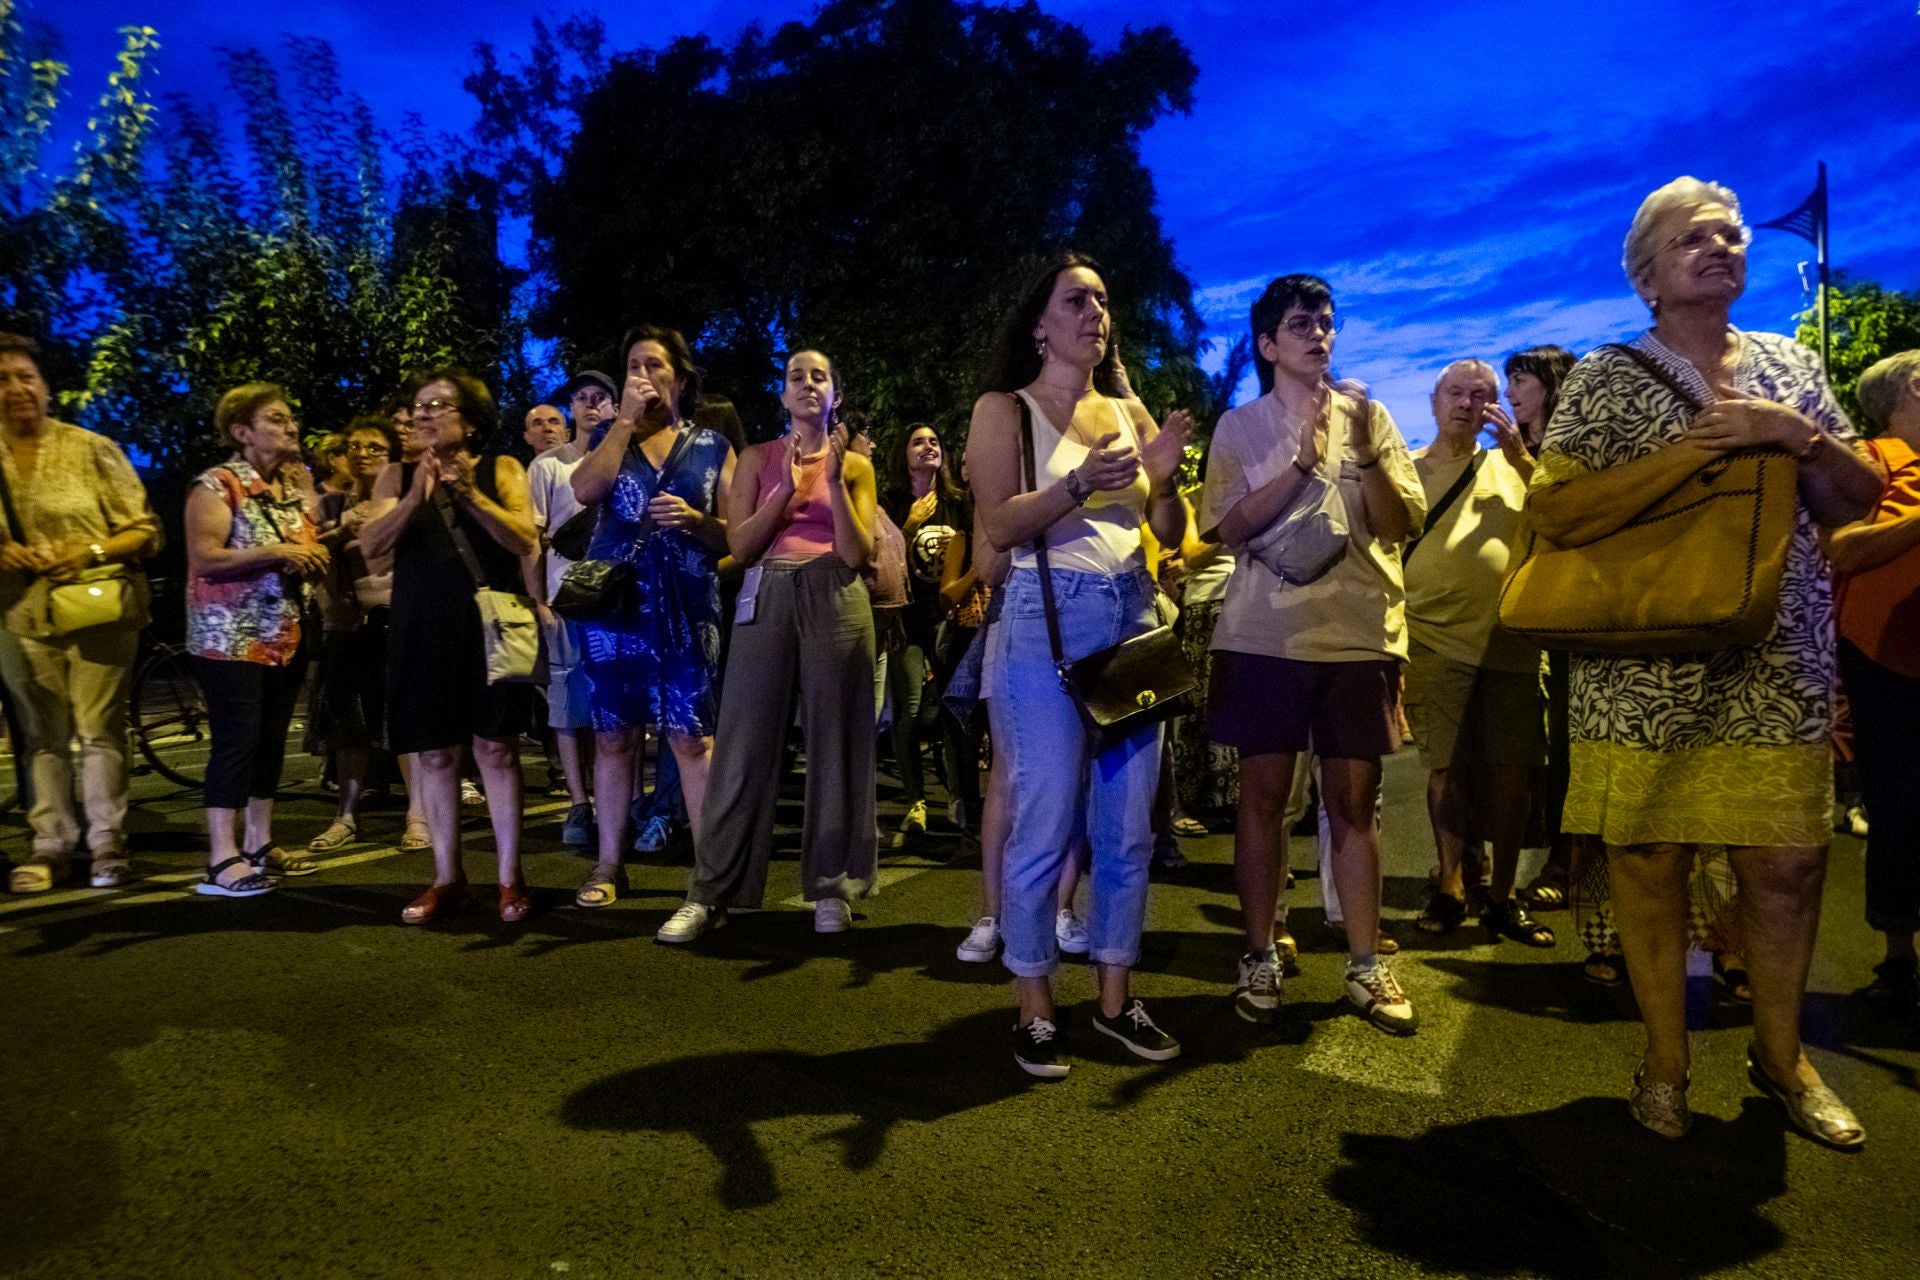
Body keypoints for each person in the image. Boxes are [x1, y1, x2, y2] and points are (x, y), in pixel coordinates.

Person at [1529, 176, 1880, 1145]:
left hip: (1776, 653)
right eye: (1693, 238)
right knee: (1649, 862)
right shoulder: (1604, 376)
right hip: (1643, 663)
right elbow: (1554, 511)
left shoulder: (1790, 364)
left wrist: (1794, 433)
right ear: (1647, 272)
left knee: (1788, 862)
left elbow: (1858, 496)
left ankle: (1783, 1055)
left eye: (1730, 235)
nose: (1721, 246)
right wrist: (1691, 453)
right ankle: (1667, 1060)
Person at [967, 252, 1193, 1077]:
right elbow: (996, 526)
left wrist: (1162, 481)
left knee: (1128, 828)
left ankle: (1114, 998)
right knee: (1045, 819)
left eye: (1102, 300)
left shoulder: (1128, 410)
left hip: (1132, 616)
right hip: (1044, 617)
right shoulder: (1005, 410)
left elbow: (1165, 527)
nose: (1095, 313)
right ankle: (1033, 1006)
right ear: (1040, 323)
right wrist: (1079, 485)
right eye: (1076, 300)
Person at [1198, 273, 1425, 1034]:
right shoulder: (1240, 427)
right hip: (1267, 637)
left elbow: (1400, 524)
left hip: (1359, 636)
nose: (1319, 335)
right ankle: (1260, 951)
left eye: (1325, 322)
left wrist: (1365, 452)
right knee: (1262, 802)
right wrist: (1301, 464)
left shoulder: (1373, 416)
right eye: (1300, 324)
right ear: (1268, 345)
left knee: (1353, 806)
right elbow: (1224, 530)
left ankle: (1365, 963)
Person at [656, 348, 877, 942]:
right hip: (768, 589)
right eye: (795, 376)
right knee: (742, 745)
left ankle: (833, 888)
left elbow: (860, 555)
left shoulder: (855, 465)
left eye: (820, 376)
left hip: (836, 590)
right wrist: (787, 488)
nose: (807, 384)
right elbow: (743, 545)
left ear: (835, 394)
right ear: (781, 395)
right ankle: (711, 893)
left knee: (837, 743)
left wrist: (830, 478)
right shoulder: (756, 458)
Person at [359, 369, 540, 924]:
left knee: (496, 749)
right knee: (434, 753)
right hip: (421, 627)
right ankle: (447, 878)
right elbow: (373, 548)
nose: (423, 415)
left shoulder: (502, 468)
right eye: (417, 407)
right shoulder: (395, 476)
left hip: (486, 627)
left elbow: (524, 538)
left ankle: (510, 878)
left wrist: (469, 494)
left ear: (470, 419)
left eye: (437, 405)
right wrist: (418, 494)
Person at [568, 328, 733, 909]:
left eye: (654, 365)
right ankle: (609, 864)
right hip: (617, 612)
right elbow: (585, 489)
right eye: (633, 364)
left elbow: (737, 534)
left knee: (691, 738)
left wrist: (695, 520)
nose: (642, 374)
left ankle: (709, 877)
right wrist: (620, 423)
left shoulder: (712, 446)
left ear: (680, 379)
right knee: (614, 738)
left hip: (688, 608)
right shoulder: (609, 437)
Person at [0, 333, 163, 893]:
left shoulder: (91, 447)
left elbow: (145, 529)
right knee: (39, 733)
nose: (16, 389)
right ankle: (50, 845)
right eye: (2, 380)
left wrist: (88, 551)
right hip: (14, 614)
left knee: (99, 730)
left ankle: (106, 842)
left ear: (46, 388)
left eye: (26, 377)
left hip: (97, 608)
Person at [1404, 360, 1552, 948]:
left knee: (1513, 775)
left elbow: (1560, 515)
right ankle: (1453, 884)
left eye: (1482, 395)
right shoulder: (1408, 470)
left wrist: (1519, 456)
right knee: (1447, 770)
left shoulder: (1516, 467)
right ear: (1434, 400)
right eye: (1456, 393)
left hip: (1511, 642)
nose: (1467, 404)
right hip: (1433, 638)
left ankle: (1504, 894)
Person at [183, 383, 328, 897]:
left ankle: (260, 842)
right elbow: (206, 557)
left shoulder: (291, 489)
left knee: (270, 740)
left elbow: (309, 541)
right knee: (236, 740)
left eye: (291, 418)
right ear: (242, 432)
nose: (290, 426)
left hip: (283, 633)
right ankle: (221, 857)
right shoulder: (218, 485)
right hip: (229, 638)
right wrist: (277, 551)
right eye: (276, 419)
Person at [1822, 350, 1920, 1016]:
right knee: (1902, 805)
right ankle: (1899, 957)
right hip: (1887, 660)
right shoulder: (1869, 462)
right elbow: (1844, 548)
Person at [1502, 344, 1582, 912]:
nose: (1509, 393)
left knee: (1573, 744)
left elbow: (1567, 512)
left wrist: (1519, 461)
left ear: (1552, 384)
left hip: (1573, 614)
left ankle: (1569, 857)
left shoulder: (1574, 443)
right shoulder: (1514, 449)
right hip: (1523, 617)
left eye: (1520, 380)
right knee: (1534, 745)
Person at [526, 371, 616, 850]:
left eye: (600, 398)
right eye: (581, 398)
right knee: (567, 706)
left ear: (616, 408)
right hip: (566, 597)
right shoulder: (547, 465)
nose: (590, 405)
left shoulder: (630, 460)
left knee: (614, 707)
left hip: (618, 599)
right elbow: (531, 541)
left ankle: (614, 803)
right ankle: (579, 802)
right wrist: (539, 601)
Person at [307, 416, 400, 853]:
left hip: (399, 619)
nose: (363, 454)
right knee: (348, 725)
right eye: (356, 446)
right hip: (348, 625)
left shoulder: (406, 498)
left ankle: (420, 814)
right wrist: (342, 531)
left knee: (404, 720)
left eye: (375, 448)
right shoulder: (331, 506)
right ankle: (346, 814)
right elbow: (307, 549)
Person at [884, 422, 968, 841]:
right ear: (904, 454)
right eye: (918, 441)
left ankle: (959, 799)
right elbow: (881, 560)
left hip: (950, 619)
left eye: (934, 441)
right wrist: (909, 524)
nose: (928, 447)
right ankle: (915, 801)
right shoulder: (891, 503)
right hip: (907, 620)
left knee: (955, 707)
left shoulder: (958, 502)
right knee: (910, 710)